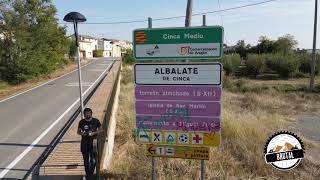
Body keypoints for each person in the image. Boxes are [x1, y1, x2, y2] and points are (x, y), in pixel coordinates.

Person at [77, 108, 102, 180]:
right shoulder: (81, 122)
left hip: (92, 143)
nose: (87, 114)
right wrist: (82, 133)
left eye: (89, 113)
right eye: (86, 113)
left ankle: (88, 176)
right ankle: (89, 176)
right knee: (86, 161)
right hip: (84, 143)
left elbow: (101, 129)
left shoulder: (96, 121)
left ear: (91, 114)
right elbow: (78, 132)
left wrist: (94, 133)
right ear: (84, 114)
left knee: (93, 160)